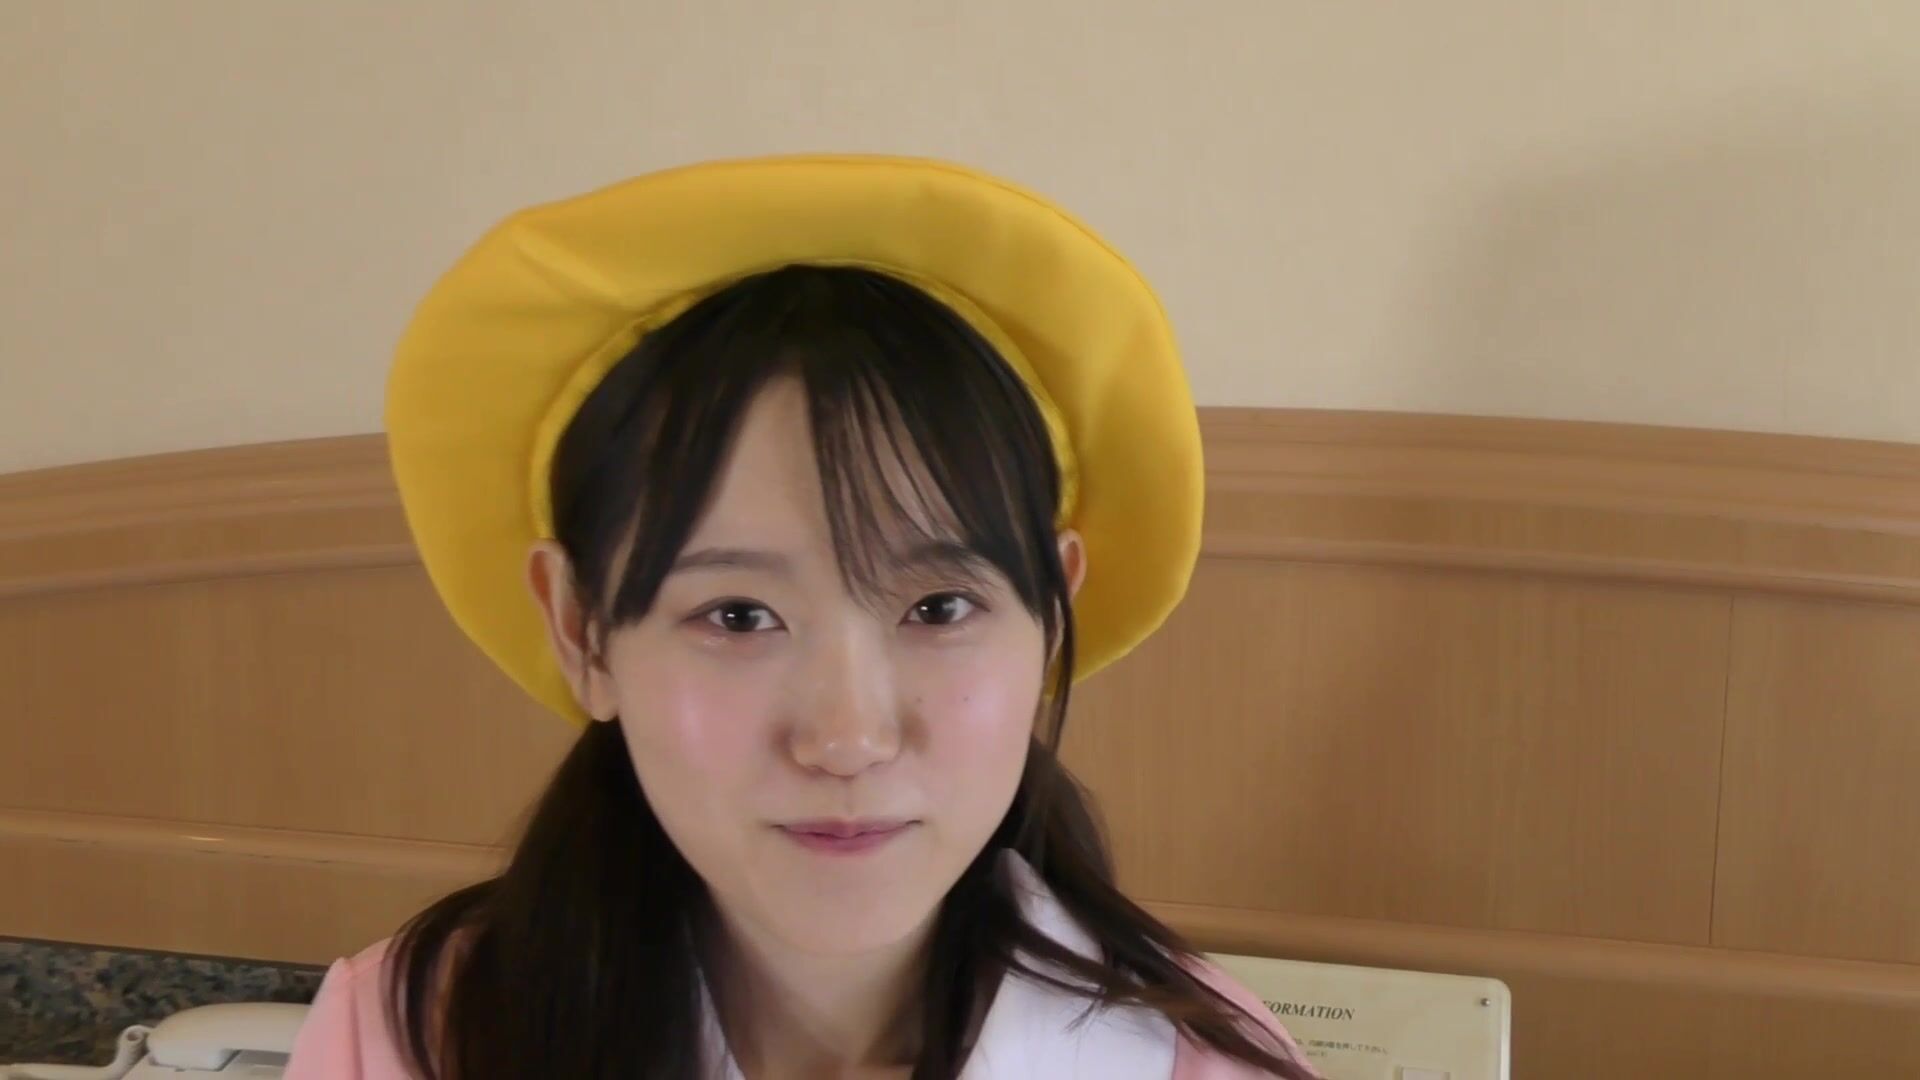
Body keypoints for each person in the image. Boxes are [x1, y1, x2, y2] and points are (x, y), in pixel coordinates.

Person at [283, 154, 1319, 1079]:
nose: (847, 739)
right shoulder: (405, 1038)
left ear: (1053, 615)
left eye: (939, 606)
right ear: (581, 631)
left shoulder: (1204, 1060)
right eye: (738, 615)